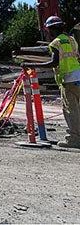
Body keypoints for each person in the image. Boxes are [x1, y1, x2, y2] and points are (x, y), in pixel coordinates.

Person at [27, 16, 80, 148]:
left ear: (51, 29)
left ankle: (74, 139)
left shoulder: (55, 43)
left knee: (71, 110)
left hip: (68, 80)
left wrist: (31, 65)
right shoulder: (71, 40)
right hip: (78, 76)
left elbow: (54, 62)